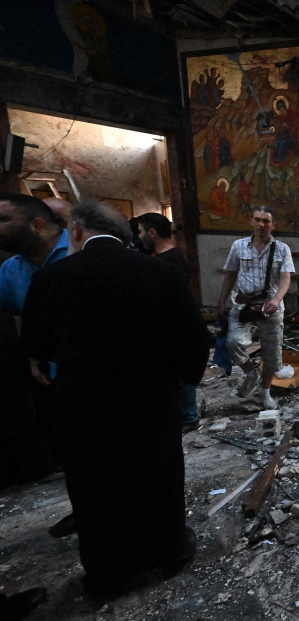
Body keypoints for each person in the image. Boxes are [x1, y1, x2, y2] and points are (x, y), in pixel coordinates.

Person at [21, 201, 210, 600]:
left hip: (83, 406)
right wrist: (179, 383)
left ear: (76, 231)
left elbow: (38, 346)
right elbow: (196, 339)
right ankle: (171, 551)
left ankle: (107, 575)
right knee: (158, 476)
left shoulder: (53, 276)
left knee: (94, 486)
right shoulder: (161, 273)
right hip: (150, 400)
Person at [0, 195, 69, 489]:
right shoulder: (11, 269)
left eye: (3, 219)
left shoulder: (81, 254)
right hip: (50, 373)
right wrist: (31, 357)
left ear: (37, 225)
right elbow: (18, 314)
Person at [218, 206, 295, 409]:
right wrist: (222, 300)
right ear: (251, 222)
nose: (262, 224)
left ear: (273, 225)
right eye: (258, 220)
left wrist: (276, 299)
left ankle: (265, 392)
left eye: (266, 221)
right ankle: (251, 373)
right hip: (244, 303)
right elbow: (230, 274)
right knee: (233, 341)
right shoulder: (238, 246)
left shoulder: (282, 249)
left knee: (272, 353)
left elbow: (286, 279)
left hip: (271, 305)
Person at [138, 213, 199, 432]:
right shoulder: (166, 258)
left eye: (141, 232)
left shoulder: (169, 262)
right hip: (174, 325)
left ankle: (188, 416)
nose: (139, 237)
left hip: (174, 326)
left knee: (179, 370)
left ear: (152, 232)